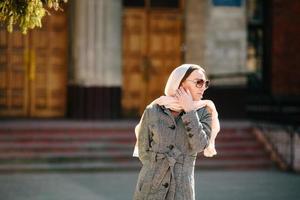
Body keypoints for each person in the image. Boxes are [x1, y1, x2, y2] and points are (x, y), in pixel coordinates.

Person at [132, 64, 220, 200]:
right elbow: (144, 150)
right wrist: (155, 168)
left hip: (181, 190)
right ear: (180, 82)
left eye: (205, 83)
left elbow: (200, 145)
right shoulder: (153, 109)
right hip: (150, 187)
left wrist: (190, 111)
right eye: (199, 82)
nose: (203, 87)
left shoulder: (205, 111)